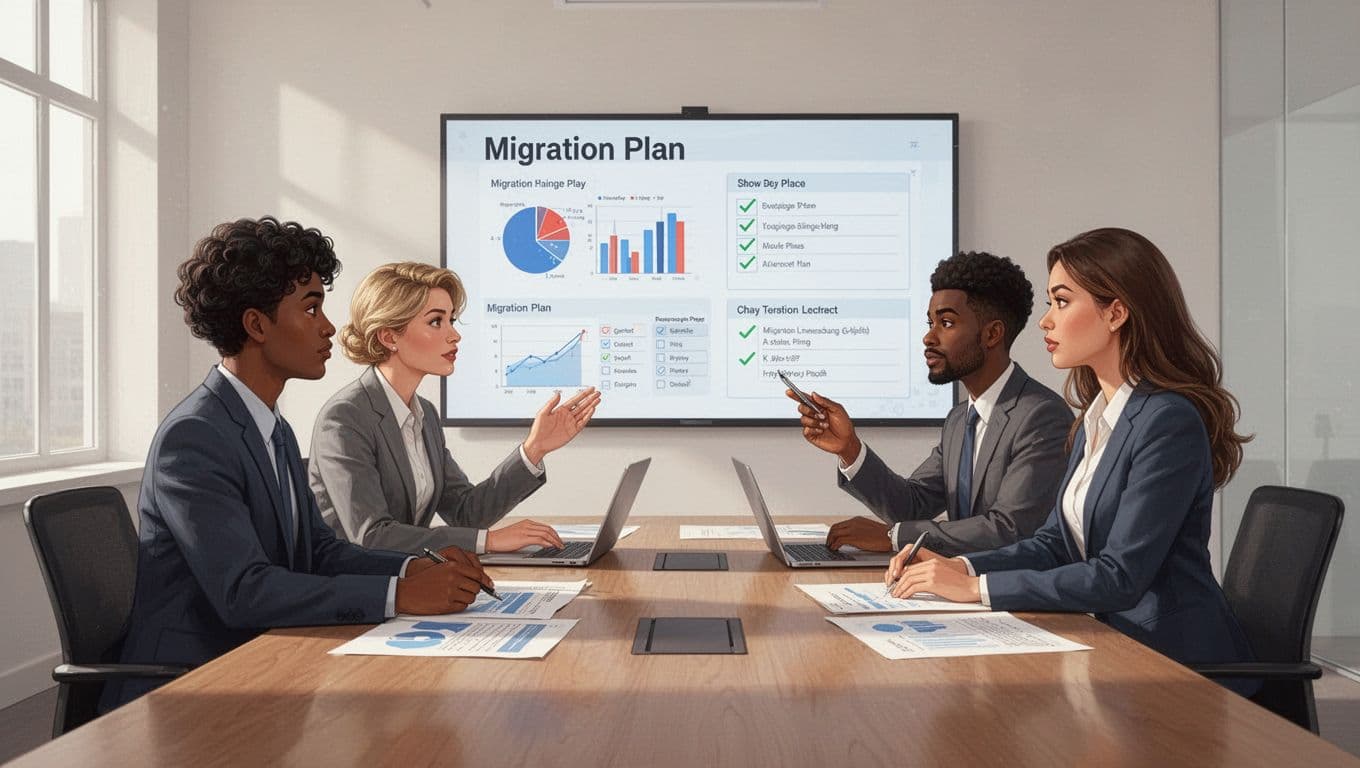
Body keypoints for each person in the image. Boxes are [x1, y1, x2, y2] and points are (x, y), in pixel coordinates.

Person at [104, 218, 487, 710]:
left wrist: (417, 565)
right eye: (310, 308)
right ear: (257, 325)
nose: (328, 326)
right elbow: (244, 590)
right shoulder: (195, 437)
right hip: (192, 684)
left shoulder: (272, 427)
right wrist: (400, 594)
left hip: (261, 660)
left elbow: (319, 551)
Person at [886, 227, 1256, 675]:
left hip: (1172, 663)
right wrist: (959, 565)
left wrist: (977, 588)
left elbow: (1119, 577)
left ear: (1116, 312)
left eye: (1062, 302)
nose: (1046, 320)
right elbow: (1055, 543)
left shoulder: (1167, 422)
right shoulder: (1097, 418)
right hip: (1106, 644)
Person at [792, 251, 1070, 557]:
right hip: (955, 587)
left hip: (1009, 597)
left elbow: (1010, 529)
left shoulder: (1042, 416)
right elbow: (911, 505)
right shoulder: (959, 419)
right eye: (931, 322)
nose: (928, 337)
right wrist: (850, 448)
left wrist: (895, 538)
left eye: (947, 323)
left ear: (992, 334)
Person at [309, 262, 600, 555]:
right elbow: (372, 537)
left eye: (452, 320)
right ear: (389, 337)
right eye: (436, 322)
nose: (454, 335)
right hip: (360, 590)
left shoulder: (425, 415)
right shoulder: (344, 419)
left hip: (410, 580)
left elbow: (466, 512)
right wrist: (490, 541)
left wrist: (535, 448)